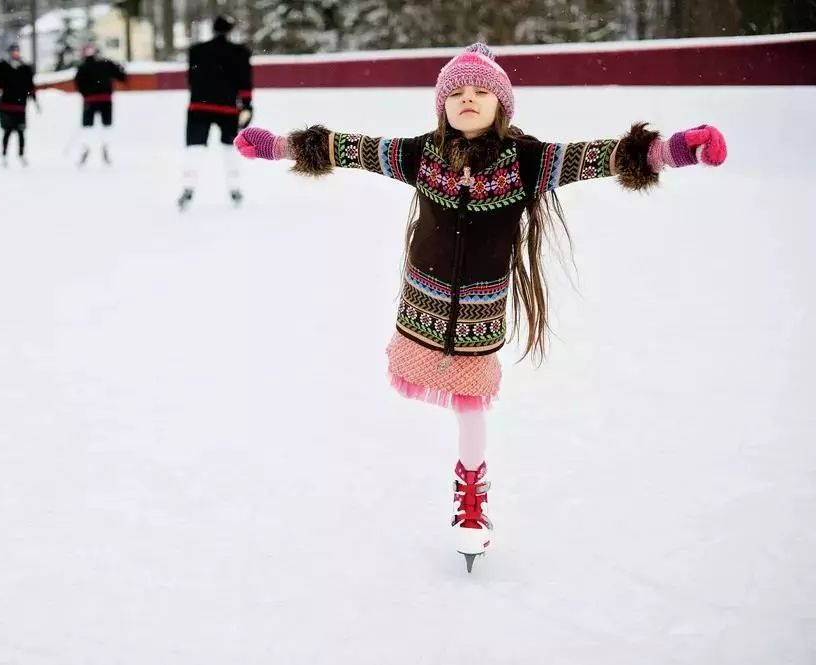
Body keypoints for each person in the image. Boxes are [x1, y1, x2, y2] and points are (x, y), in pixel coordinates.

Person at [233, 43, 727, 572]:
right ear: (442, 104)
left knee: (470, 403)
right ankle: (466, 490)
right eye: (457, 92)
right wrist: (280, 146)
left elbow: (598, 157)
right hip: (422, 305)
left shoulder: (527, 162)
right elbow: (351, 148)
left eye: (481, 92)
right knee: (447, 394)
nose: (468, 99)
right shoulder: (421, 154)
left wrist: (675, 150)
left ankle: (471, 498)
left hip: (478, 314)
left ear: (502, 106)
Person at [178, 14, 254, 210]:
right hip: (227, 107)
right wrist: (247, 105)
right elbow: (245, 81)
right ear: (230, 30)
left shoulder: (197, 51)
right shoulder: (240, 53)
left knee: (195, 148)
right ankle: (235, 189)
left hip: (199, 106)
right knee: (230, 148)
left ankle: (188, 187)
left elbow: (191, 77)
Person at [73, 43, 128, 166]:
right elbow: (122, 77)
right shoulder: (107, 64)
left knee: (88, 127)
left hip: (90, 101)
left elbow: (78, 83)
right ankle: (105, 148)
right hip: (105, 100)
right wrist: (121, 68)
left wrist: (85, 94)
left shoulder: (83, 66)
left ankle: (87, 149)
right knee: (105, 126)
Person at [0, 43, 38, 167]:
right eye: (13, 51)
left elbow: (31, 86)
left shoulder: (24, 68)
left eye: (17, 51)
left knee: (21, 132)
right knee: (7, 132)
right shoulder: (3, 66)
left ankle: (21, 155)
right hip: (6, 105)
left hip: (20, 105)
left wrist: (35, 100)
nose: (15, 53)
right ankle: (4, 155)